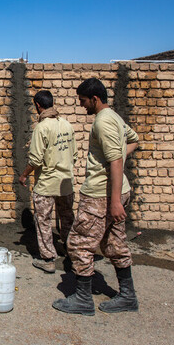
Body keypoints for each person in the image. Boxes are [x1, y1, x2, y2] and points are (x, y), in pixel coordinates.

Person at [53, 78, 139, 315]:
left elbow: (116, 160)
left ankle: (82, 300)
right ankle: (128, 296)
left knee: (78, 243)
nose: (82, 106)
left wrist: (113, 202)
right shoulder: (116, 118)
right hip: (114, 191)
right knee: (114, 243)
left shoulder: (103, 122)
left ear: (95, 99)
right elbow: (133, 141)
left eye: (83, 101)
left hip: (101, 195)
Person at [18, 90, 77, 274]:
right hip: (66, 183)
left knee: (43, 221)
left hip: (46, 185)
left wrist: (24, 175)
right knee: (67, 218)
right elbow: (74, 155)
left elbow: (35, 160)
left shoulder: (42, 128)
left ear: (37, 105)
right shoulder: (67, 125)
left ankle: (49, 259)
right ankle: (72, 252)